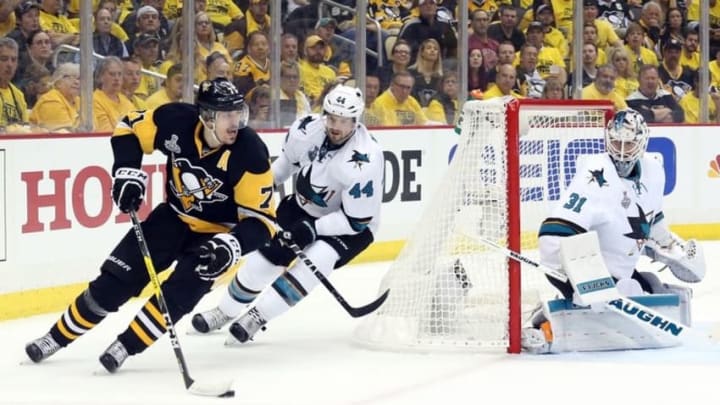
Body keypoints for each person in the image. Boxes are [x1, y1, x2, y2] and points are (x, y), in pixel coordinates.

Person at [24, 78, 277, 373]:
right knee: (115, 281)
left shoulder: (251, 153)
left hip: (216, 235)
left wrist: (232, 244)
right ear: (207, 116)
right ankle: (55, 337)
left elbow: (262, 222)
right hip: (172, 217)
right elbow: (129, 127)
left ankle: (125, 346)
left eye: (239, 114)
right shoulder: (175, 120)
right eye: (227, 115)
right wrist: (127, 171)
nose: (236, 123)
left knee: (178, 294)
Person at [190, 85, 384, 346]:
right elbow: (285, 166)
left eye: (343, 121)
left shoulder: (365, 160)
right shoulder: (306, 130)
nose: (335, 126)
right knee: (265, 258)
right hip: (301, 207)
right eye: (331, 118)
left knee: (315, 261)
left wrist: (312, 229)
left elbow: (355, 221)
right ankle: (225, 311)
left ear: (355, 121)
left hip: (349, 227)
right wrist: (258, 190)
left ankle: (257, 317)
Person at [521, 109, 705, 354]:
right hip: (583, 274)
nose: (620, 150)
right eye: (616, 142)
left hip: (620, 273)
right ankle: (545, 322)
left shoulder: (654, 171)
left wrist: (669, 248)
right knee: (633, 295)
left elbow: (651, 221)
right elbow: (553, 233)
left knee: (657, 291)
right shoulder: (594, 176)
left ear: (641, 143)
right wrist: (582, 284)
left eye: (628, 144)